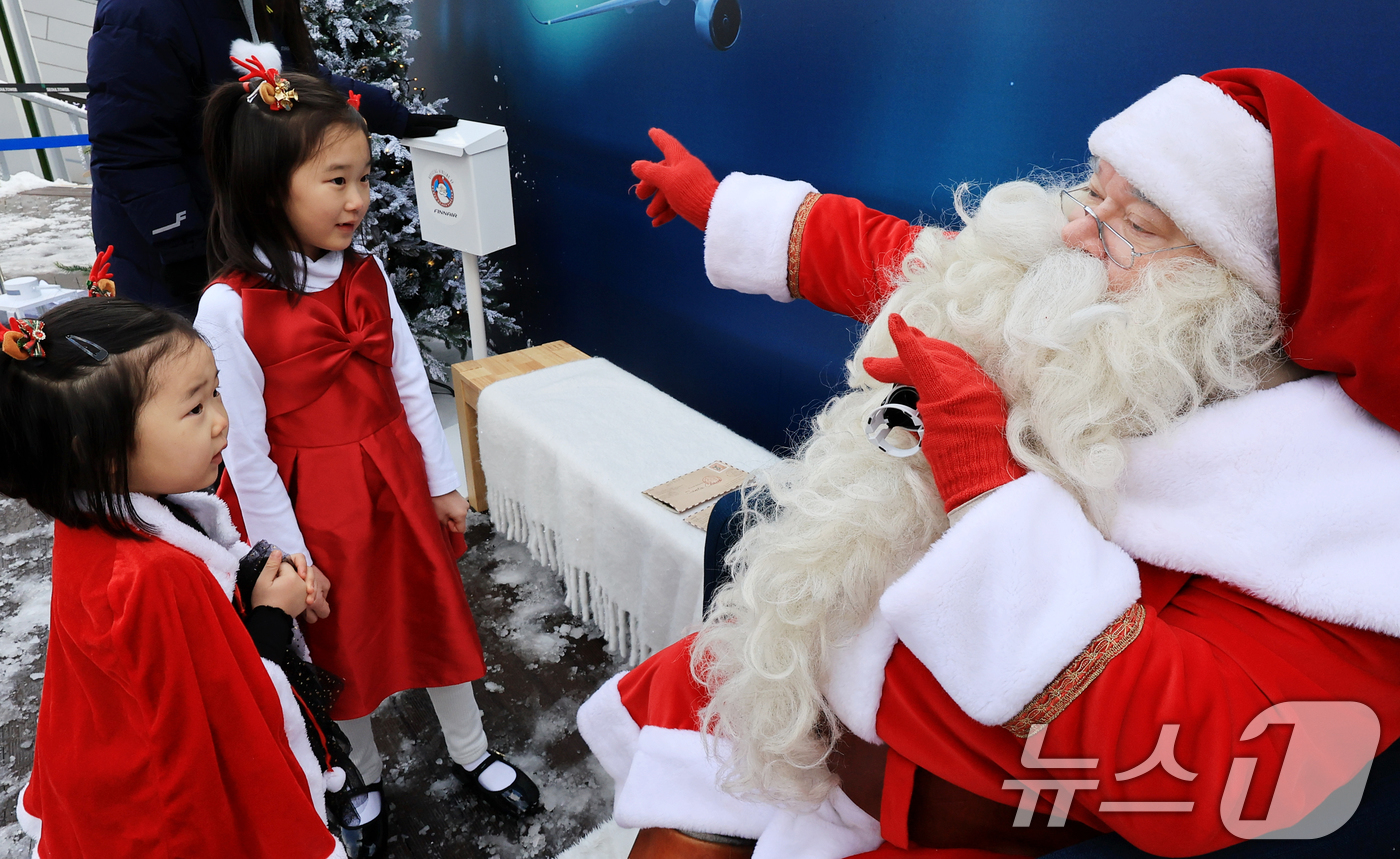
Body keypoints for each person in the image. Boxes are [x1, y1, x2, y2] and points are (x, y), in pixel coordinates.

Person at [576, 69, 1400, 857]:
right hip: (800, 685)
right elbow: (912, 264)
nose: (1075, 233)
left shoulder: (1339, 531)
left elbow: (1215, 767)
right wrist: (721, 207)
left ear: (1246, 300)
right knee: (699, 716)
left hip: (942, 815)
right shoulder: (1106, 305)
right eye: (1093, 192)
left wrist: (988, 488)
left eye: (1137, 225)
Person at [193, 67, 540, 857]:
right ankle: (362, 774)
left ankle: (471, 749)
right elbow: (245, 450)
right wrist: (290, 558)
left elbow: (410, 381)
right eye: (336, 180)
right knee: (339, 644)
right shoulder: (230, 306)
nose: (358, 199)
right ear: (268, 185)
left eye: (363, 178)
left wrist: (441, 482)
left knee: (433, 613)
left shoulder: (367, 271)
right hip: (313, 510)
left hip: (394, 487)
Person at [0, 296, 347, 857]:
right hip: (173, 823)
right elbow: (222, 721)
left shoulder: (99, 520)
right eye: (195, 408)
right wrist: (271, 614)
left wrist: (254, 577)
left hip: (110, 789)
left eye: (215, 392)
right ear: (100, 453)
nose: (222, 419)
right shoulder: (153, 576)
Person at [86, 0, 458, 310]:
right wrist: (184, 248)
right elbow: (130, 146)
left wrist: (392, 116)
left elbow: (288, 81)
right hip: (167, 257)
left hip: (238, 238)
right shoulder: (142, 11)